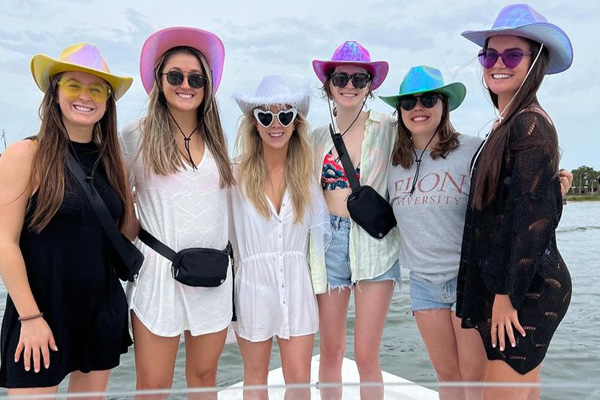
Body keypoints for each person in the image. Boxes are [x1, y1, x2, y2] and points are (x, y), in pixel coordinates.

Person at [0, 43, 133, 396]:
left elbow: (123, 232)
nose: (85, 96)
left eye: (97, 88)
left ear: (107, 101)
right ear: (55, 92)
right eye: (73, 85)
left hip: (101, 308)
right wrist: (29, 318)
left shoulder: (112, 162)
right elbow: (4, 243)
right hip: (40, 310)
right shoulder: (26, 154)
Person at [456, 4, 573, 399]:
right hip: (512, 288)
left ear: (535, 61)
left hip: (526, 292)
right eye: (490, 55)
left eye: (512, 55)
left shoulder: (529, 124)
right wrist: (555, 192)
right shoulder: (508, 122)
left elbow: (530, 224)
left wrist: (507, 297)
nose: (497, 63)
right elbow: (520, 203)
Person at [119, 27, 234, 392]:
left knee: (204, 381)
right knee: (153, 386)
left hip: (213, 274)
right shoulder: (133, 136)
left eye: (196, 78)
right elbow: (119, 208)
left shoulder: (218, 138)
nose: (186, 85)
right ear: (159, 81)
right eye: (175, 76)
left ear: (207, 85)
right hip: (158, 275)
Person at [381, 65, 487, 400]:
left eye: (428, 99)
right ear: (400, 112)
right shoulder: (392, 161)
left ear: (445, 105)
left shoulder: (473, 150)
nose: (418, 108)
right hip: (423, 284)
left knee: (474, 379)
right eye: (408, 103)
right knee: (446, 377)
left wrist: (555, 183)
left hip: (468, 281)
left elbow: (517, 184)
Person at [310, 41, 401, 399]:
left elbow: (433, 147)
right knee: (331, 350)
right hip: (329, 240)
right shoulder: (314, 137)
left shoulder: (390, 128)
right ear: (328, 85)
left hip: (375, 242)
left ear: (370, 86)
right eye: (341, 77)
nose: (350, 85)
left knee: (366, 354)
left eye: (359, 79)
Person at [230, 75, 330, 399]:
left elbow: (321, 240)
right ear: (254, 123)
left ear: (295, 123)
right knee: (255, 378)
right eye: (266, 115)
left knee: (300, 381)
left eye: (285, 115)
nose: (276, 124)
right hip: (251, 288)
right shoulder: (235, 177)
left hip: (297, 286)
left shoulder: (307, 177)